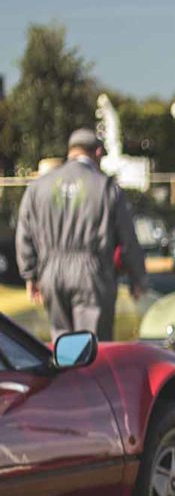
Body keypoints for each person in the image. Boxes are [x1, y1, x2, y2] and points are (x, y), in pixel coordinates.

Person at [15, 128, 146, 340]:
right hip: (92, 274)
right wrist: (137, 277)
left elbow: (24, 233)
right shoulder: (106, 188)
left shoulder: (38, 187)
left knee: (63, 346)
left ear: (71, 152)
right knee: (92, 349)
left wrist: (30, 274)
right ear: (97, 153)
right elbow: (128, 238)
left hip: (52, 272)